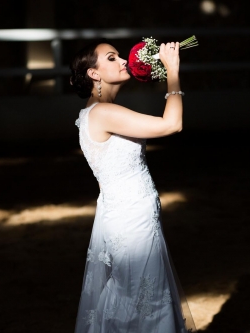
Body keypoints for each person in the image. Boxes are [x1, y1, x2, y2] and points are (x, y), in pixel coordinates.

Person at [70, 38, 195, 332]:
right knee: (146, 302)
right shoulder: (102, 113)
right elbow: (171, 124)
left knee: (133, 297)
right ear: (94, 74)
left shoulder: (99, 111)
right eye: (112, 58)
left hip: (129, 215)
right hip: (131, 221)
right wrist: (172, 71)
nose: (124, 60)